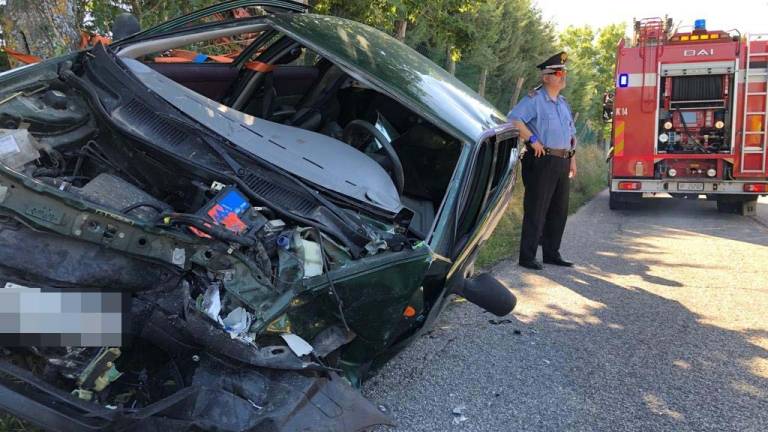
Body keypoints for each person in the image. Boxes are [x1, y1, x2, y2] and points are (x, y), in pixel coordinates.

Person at [507, 51, 577, 270]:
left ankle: (551, 253)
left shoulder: (563, 103)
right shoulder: (534, 100)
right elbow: (514, 119)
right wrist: (533, 139)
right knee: (537, 208)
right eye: (558, 72)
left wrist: (572, 159)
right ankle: (527, 257)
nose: (562, 76)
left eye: (564, 72)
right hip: (542, 159)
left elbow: (571, 134)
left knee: (559, 209)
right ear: (545, 77)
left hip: (562, 160)